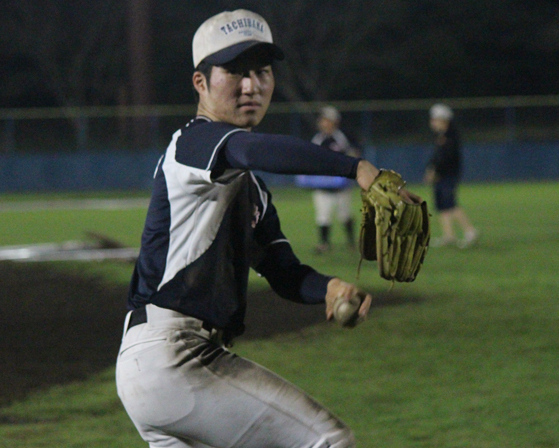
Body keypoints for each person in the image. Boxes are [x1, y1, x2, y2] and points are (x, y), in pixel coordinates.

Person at [116, 9, 416, 448]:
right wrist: (356, 168)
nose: (251, 85)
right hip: (175, 357)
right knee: (329, 440)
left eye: (261, 71)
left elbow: (282, 270)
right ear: (200, 83)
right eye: (234, 71)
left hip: (160, 367)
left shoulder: (250, 188)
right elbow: (252, 149)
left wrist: (328, 287)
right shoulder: (194, 142)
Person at [296, 106, 360, 253]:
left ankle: (351, 242)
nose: (323, 123)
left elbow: (354, 154)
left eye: (326, 120)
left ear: (334, 121)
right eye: (322, 120)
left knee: (345, 214)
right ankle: (324, 244)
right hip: (322, 185)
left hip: (341, 185)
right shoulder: (318, 139)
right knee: (323, 216)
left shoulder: (342, 137)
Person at [424, 103, 478, 248]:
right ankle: (449, 236)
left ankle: (470, 231)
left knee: (450, 203)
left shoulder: (451, 136)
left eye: (435, 119)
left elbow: (447, 158)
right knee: (442, 205)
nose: (432, 122)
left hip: (448, 175)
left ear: (444, 120)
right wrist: (431, 169)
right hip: (441, 175)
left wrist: (436, 171)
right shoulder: (440, 136)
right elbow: (436, 157)